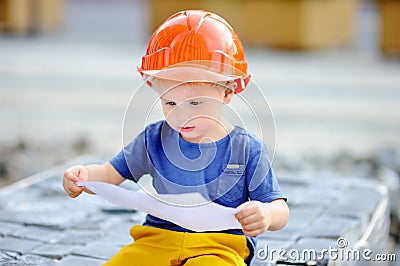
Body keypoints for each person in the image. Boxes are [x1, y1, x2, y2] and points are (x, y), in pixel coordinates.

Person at [63, 10, 289, 265]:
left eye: (195, 102)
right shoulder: (154, 139)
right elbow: (109, 174)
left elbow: (280, 208)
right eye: (170, 102)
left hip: (219, 247)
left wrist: (266, 214)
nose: (182, 115)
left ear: (228, 92)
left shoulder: (247, 149)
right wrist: (83, 177)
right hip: (157, 240)